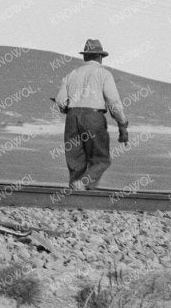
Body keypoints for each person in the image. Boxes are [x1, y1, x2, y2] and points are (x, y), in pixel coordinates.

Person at [54, 38, 127, 193]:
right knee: (101, 158)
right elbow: (113, 102)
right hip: (93, 117)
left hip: (72, 117)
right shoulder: (104, 74)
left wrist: (69, 108)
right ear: (100, 57)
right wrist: (122, 123)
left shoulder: (71, 74)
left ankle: (76, 192)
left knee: (75, 159)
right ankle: (84, 184)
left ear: (85, 57)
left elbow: (60, 101)